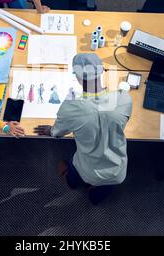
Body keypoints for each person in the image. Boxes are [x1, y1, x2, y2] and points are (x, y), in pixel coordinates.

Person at [34, 54, 132, 205]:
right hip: (117, 170)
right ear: (101, 71)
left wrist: (50, 130)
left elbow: (58, 133)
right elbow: (121, 120)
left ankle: (71, 181)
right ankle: (95, 196)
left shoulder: (71, 107)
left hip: (88, 169)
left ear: (78, 78)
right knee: (101, 192)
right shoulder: (124, 98)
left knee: (74, 169)